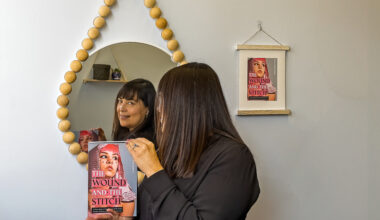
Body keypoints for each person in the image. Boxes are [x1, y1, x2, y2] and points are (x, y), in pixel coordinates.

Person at [88, 62, 260, 220]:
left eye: (163, 102)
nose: (159, 111)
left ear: (185, 106)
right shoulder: (171, 152)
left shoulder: (234, 158)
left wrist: (154, 171)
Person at [88, 144, 136, 218]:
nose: (110, 161)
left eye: (115, 157)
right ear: (94, 160)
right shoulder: (84, 192)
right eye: (104, 156)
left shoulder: (126, 197)